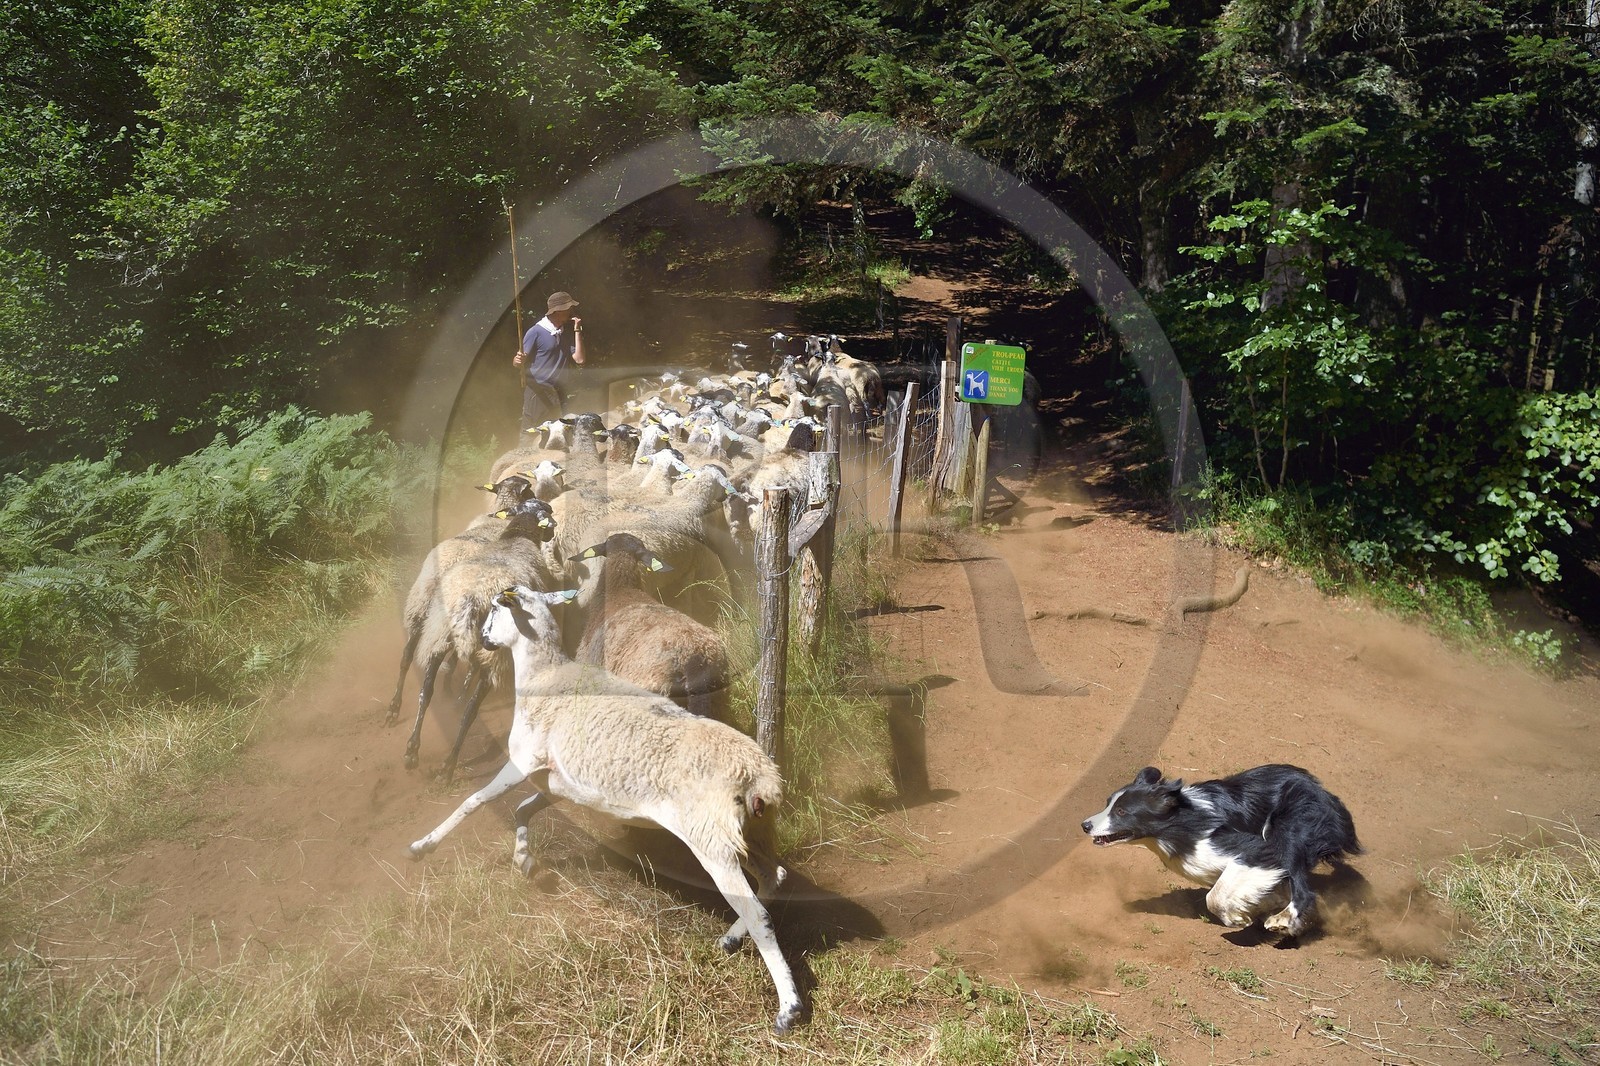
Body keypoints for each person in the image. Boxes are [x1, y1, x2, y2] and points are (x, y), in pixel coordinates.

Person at [513, 291, 586, 431]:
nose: (571, 311)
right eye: (568, 308)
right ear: (558, 311)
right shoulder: (535, 332)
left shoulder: (565, 332)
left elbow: (580, 359)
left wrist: (577, 330)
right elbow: (518, 361)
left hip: (559, 391)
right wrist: (517, 360)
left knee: (557, 431)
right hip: (538, 390)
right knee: (531, 431)